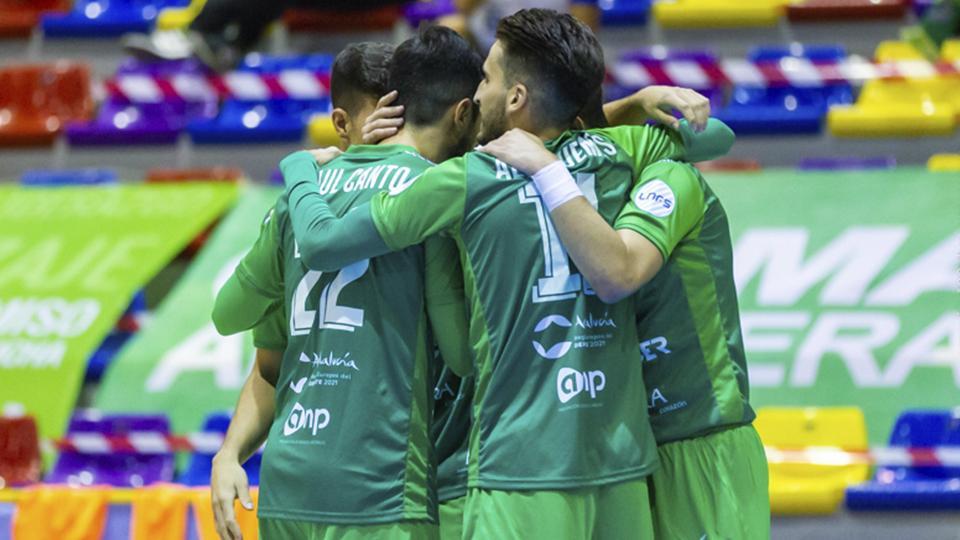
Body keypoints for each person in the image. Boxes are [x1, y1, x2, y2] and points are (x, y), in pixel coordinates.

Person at [276, 8, 734, 538]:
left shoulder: (464, 178)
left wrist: (301, 167)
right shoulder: (623, 151)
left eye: (488, 79)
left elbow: (323, 241)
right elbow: (714, 137)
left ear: (515, 99)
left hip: (519, 468)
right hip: (620, 464)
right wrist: (637, 102)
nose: (477, 93)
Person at [209, 32, 477, 540]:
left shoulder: (299, 195)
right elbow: (463, 355)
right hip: (380, 487)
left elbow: (230, 317)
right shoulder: (436, 192)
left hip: (290, 480)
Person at [478, 125, 770, 538]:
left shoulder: (668, 178)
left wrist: (549, 166)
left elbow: (619, 273)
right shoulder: (572, 194)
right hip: (629, 450)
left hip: (701, 439)